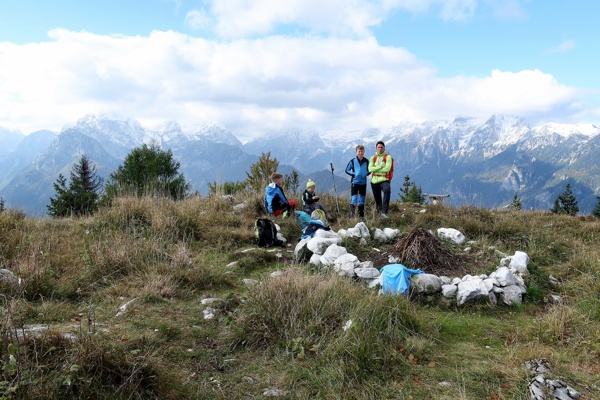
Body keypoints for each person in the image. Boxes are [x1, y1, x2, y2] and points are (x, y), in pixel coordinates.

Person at [368, 141, 393, 218]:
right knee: (378, 199)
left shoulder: (388, 157)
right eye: (378, 147)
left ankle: (384, 212)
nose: (380, 148)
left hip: (384, 180)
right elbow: (370, 169)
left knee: (387, 191)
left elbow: (387, 169)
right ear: (376, 148)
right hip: (374, 181)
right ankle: (379, 215)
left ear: (384, 148)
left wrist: (375, 169)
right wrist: (380, 167)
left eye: (381, 147)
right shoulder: (373, 158)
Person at [345, 144, 370, 219]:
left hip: (363, 183)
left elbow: (370, 170)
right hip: (355, 183)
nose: (360, 153)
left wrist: (366, 173)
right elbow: (347, 170)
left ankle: (361, 216)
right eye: (359, 152)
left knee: (362, 199)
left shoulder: (366, 161)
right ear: (356, 152)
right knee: (354, 199)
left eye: (362, 152)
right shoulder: (352, 161)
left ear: (364, 152)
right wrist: (354, 174)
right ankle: (351, 216)